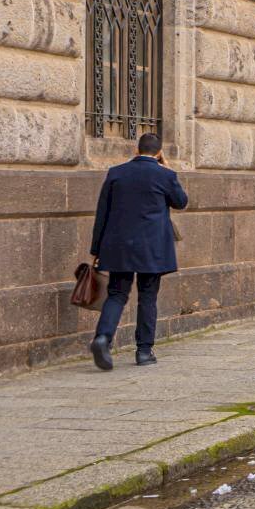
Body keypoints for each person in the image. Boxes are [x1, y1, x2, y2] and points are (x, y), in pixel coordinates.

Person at [88, 131, 189, 370]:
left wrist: (96, 249)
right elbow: (181, 202)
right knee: (148, 297)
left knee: (117, 294)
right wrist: (168, 170)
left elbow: (102, 213)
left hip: (118, 246)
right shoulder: (165, 175)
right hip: (151, 248)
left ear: (136, 150)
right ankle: (144, 351)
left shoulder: (116, 173)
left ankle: (102, 337)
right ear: (159, 153)